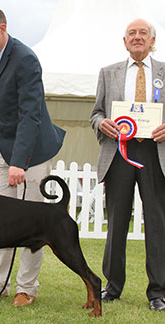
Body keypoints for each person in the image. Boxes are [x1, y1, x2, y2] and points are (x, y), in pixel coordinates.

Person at [0, 4, 65, 307]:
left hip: (32, 151)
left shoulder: (26, 59)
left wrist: (18, 162)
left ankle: (27, 287)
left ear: (2, 28)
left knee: (33, 223)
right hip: (0, 147)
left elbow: (30, 116)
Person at [90, 18, 165, 311]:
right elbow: (95, 113)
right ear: (124, 41)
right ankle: (113, 286)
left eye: (142, 33)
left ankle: (158, 291)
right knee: (117, 222)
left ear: (152, 40)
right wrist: (103, 123)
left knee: (157, 223)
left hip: (155, 153)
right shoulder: (108, 73)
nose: (137, 37)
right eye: (131, 33)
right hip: (118, 153)